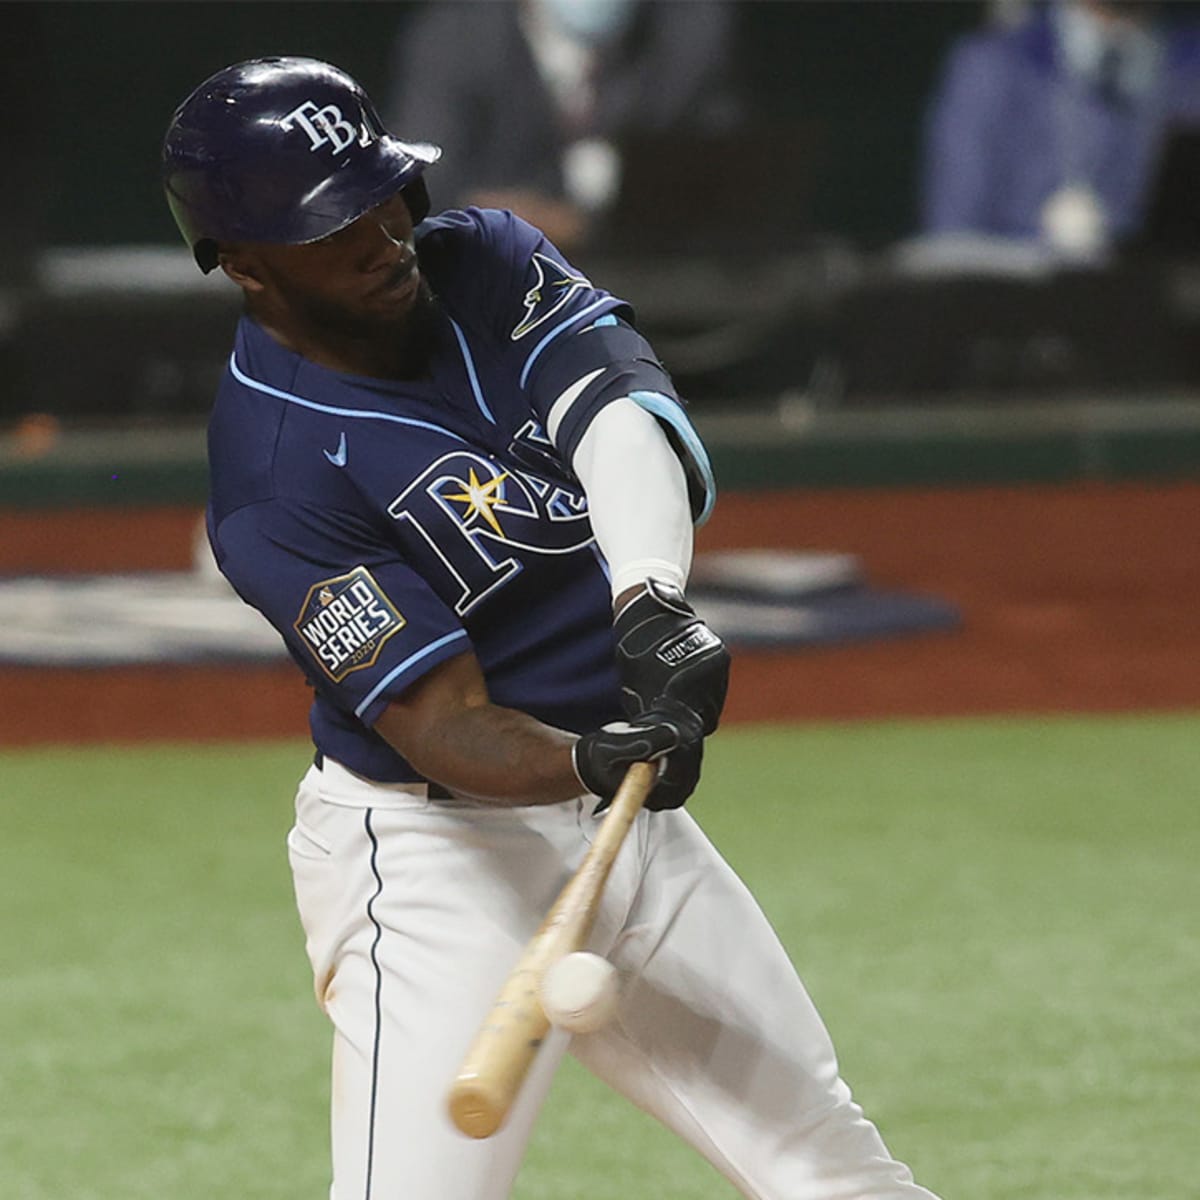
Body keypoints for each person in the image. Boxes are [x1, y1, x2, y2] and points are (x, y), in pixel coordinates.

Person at [161, 56, 943, 1200]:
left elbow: (619, 419)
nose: (383, 233)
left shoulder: (484, 258)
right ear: (246, 266)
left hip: (621, 816)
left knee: (825, 1159)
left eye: (384, 193)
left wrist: (650, 609)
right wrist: (587, 756)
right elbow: (446, 728)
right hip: (435, 856)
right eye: (336, 225)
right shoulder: (274, 479)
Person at [384, 0, 744, 251]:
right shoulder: (455, 40)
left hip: (661, 295)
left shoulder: (689, 33)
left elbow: (726, 178)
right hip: (500, 290)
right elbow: (420, 186)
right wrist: (519, 220)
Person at [921, 0, 1200, 259]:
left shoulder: (1188, 67)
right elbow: (953, 240)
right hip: (1021, 298)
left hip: (1158, 297)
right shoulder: (994, 63)